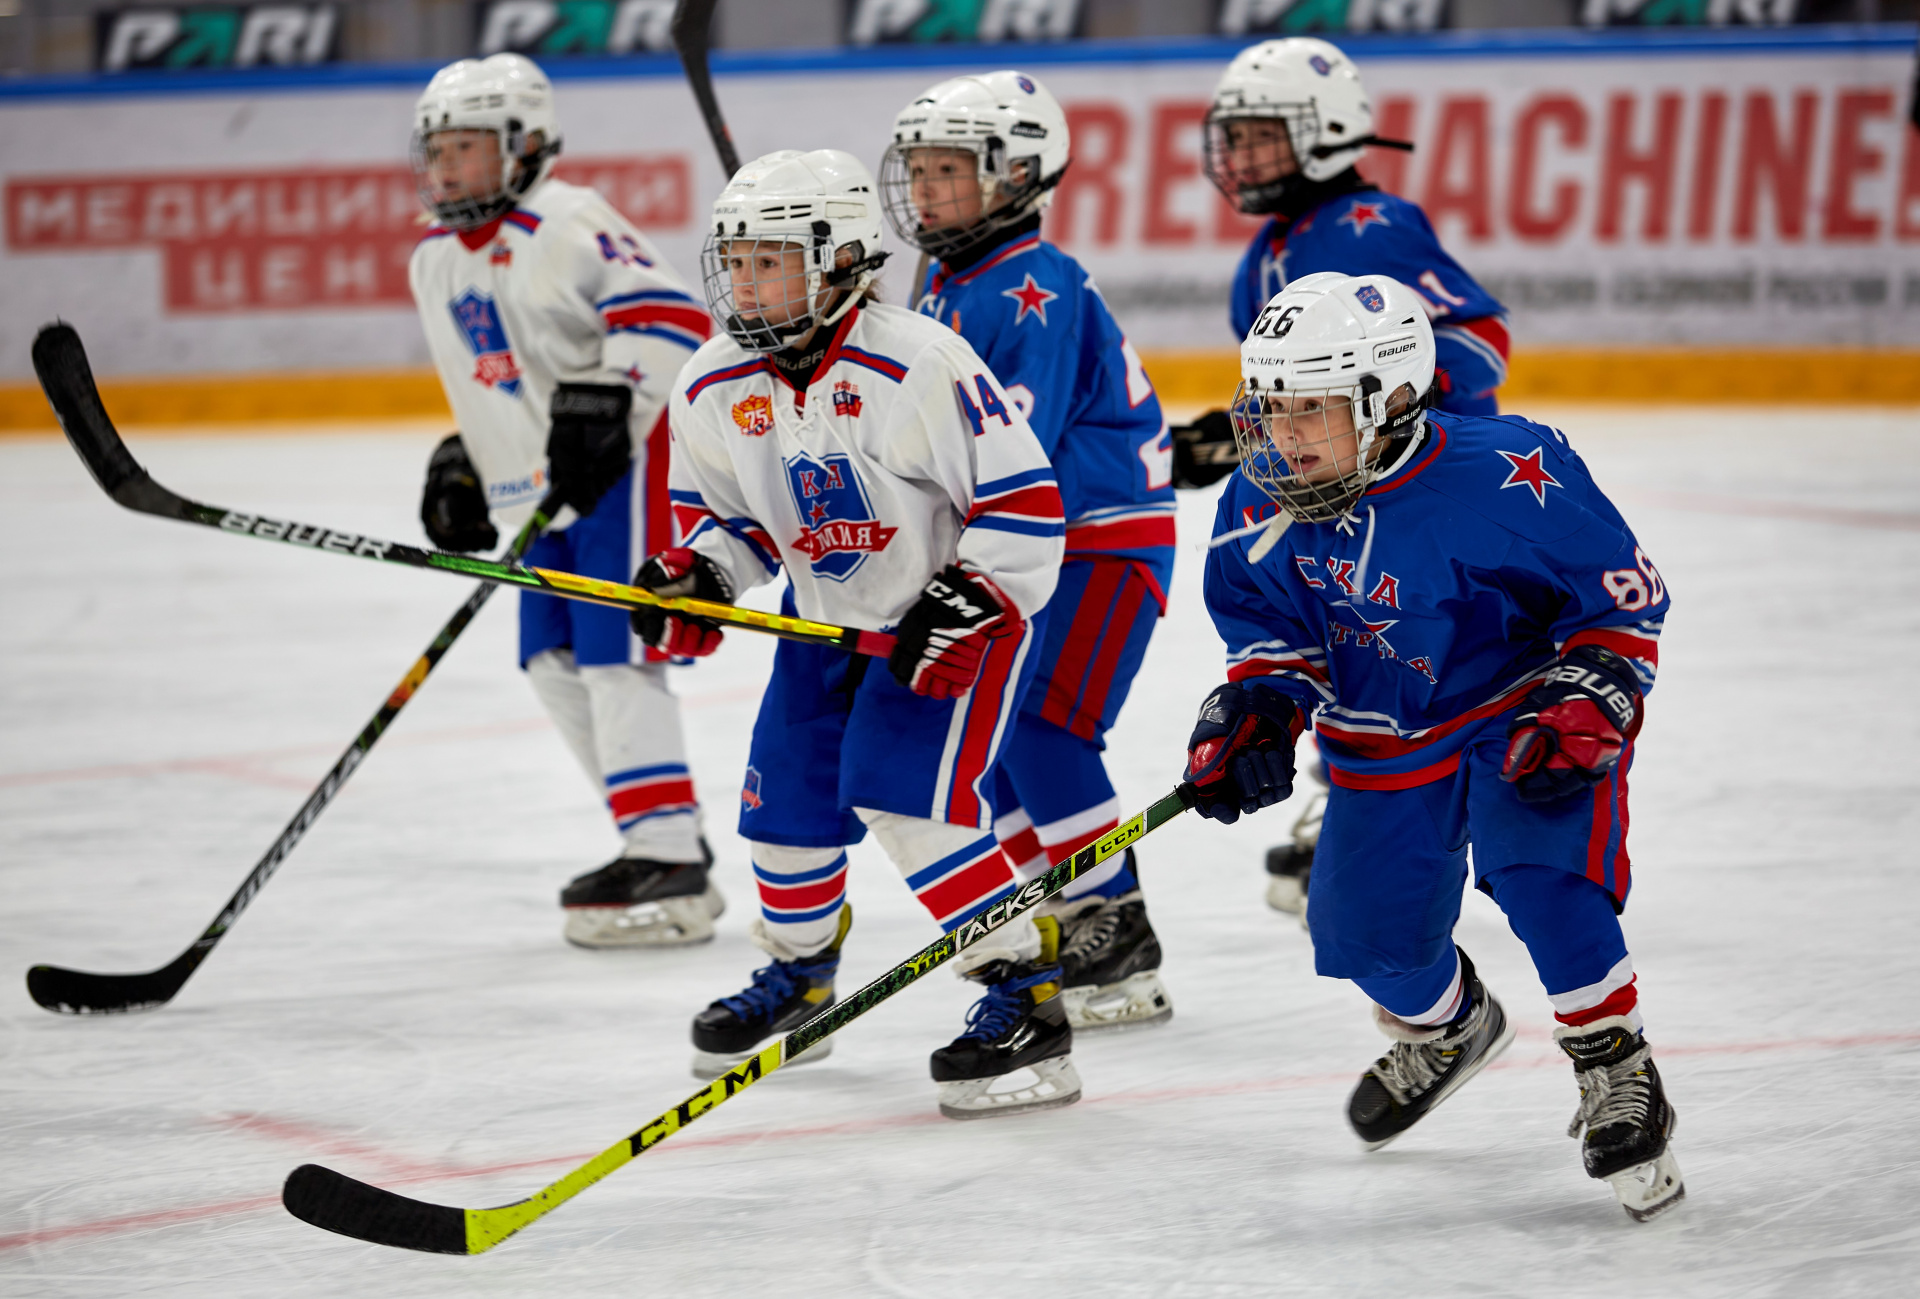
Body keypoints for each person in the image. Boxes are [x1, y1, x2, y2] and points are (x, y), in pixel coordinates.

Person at [1186, 270, 1682, 1223]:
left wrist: (1594, 690)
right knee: (1365, 937)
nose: (1281, 435)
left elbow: (1621, 601)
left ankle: (1616, 1062)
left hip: (1520, 706)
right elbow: (1269, 638)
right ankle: (1451, 1028)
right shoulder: (1258, 496)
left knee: (1542, 872)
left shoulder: (1506, 470)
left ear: (1393, 399)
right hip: (1383, 730)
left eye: (1312, 412)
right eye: (1270, 407)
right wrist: (1255, 708)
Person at [632, 148, 1079, 1120]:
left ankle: (1025, 993)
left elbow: (1026, 504)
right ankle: (802, 979)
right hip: (823, 627)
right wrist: (698, 575)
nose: (745, 285)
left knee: (907, 800)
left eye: (771, 262)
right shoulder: (712, 383)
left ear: (843, 263)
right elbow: (735, 523)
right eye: (736, 261)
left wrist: (966, 602)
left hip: (948, 623)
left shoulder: (917, 364)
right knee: (782, 807)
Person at [1172, 36, 1513, 915]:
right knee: (1343, 634)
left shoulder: (1373, 227)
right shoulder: (1279, 240)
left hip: (1410, 485)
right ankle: (1362, 798)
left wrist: (1388, 425)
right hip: (1335, 479)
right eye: (1233, 136)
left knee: (1416, 645)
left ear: (1325, 131)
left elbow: (1479, 340)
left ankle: (1422, 804)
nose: (1237, 154)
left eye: (1261, 134)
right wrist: (1244, 426)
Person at [876, 70, 1175, 1033]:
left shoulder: (1028, 284)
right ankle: (1054, 901)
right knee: (994, 738)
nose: (924, 190)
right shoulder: (948, 279)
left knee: (1044, 729)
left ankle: (1111, 919)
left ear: (1017, 175)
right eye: (917, 170)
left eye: (949, 170)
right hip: (1030, 545)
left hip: (1097, 538)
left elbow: (1015, 449)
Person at [407, 53, 721, 948]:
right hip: (545, 493)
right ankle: (664, 841)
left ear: (526, 144)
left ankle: (663, 851)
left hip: (626, 473)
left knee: (616, 653)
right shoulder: (433, 259)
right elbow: (492, 383)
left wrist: (613, 400)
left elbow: (671, 321)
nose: (448, 167)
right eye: (439, 149)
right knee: (550, 660)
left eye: (467, 147)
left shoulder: (568, 219)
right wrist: (466, 458)